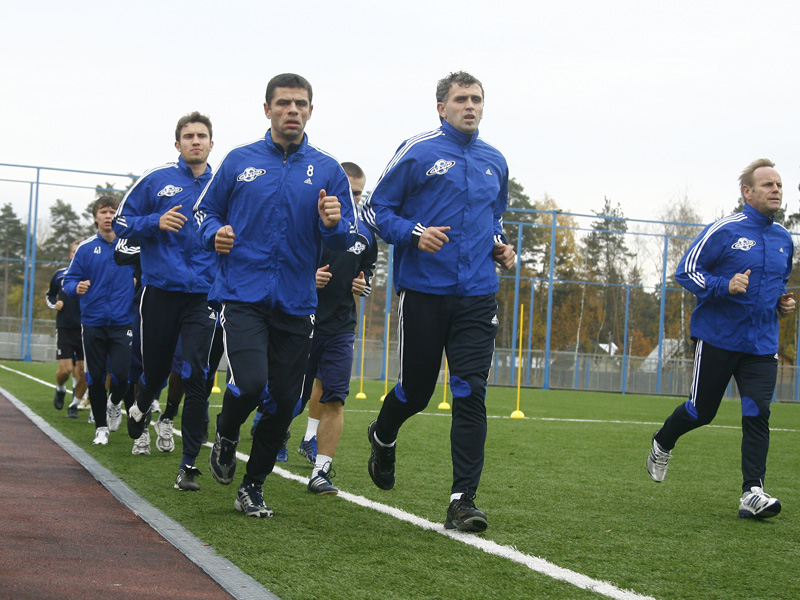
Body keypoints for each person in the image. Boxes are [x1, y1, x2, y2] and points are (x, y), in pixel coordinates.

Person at [194, 73, 358, 517]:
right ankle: (227, 430)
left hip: (297, 302)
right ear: (267, 109)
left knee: (286, 402)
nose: (292, 110)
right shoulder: (239, 160)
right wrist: (214, 233)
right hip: (242, 294)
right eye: (283, 103)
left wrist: (332, 224)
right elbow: (204, 212)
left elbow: (346, 237)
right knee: (250, 383)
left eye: (300, 104)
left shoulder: (328, 170)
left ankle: (252, 486)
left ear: (311, 111)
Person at [361, 71, 516, 533]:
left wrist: (500, 245)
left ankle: (462, 500)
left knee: (470, 392)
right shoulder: (418, 151)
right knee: (417, 392)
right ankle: (383, 434)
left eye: (477, 99)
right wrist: (415, 233)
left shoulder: (495, 160)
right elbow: (375, 210)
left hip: (477, 296)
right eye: (461, 99)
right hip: (424, 292)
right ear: (441, 108)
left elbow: (494, 218)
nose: (470, 106)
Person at [646, 158, 794, 519]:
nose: (776, 190)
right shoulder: (725, 230)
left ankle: (752, 493)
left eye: (779, 184)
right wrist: (724, 285)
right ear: (747, 192)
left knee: (758, 413)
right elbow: (686, 271)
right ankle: (663, 441)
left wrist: (782, 303)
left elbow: (776, 285)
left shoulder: (784, 239)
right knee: (701, 411)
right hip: (718, 338)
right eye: (768, 184)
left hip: (761, 345)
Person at [113, 111, 217, 491]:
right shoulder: (156, 180)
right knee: (155, 372)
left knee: (197, 374)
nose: (195, 141)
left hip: (204, 295)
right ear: (178, 144)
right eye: (188, 136)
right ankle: (142, 403)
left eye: (201, 136)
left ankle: (188, 465)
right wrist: (153, 222)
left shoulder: (222, 184)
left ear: (211, 143)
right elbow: (120, 223)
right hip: (159, 292)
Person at [293, 161, 377, 494]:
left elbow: (368, 271)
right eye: (349, 192)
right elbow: (283, 265)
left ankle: (320, 471)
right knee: (291, 398)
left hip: (341, 327)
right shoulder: (306, 223)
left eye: (359, 193)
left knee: (335, 399)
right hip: (301, 321)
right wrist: (307, 279)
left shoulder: (365, 234)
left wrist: (363, 284)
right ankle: (266, 439)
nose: (353, 199)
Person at [63, 196, 135, 445]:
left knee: (122, 376)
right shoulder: (85, 248)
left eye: (113, 211)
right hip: (92, 322)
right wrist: (76, 288)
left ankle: (114, 403)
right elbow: (69, 280)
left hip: (122, 322)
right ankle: (101, 428)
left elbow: (148, 274)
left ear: (119, 216)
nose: (108, 216)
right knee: (94, 376)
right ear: (95, 217)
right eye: (103, 211)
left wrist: (138, 282)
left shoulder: (132, 247)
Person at [46, 239, 87, 418]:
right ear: (70, 255)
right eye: (74, 252)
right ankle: (60, 388)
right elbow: (50, 295)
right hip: (65, 328)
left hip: (87, 328)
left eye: (80, 252)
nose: (77, 255)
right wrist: (55, 304)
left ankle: (74, 404)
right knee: (66, 370)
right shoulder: (60, 275)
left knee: (85, 372)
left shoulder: (92, 275)